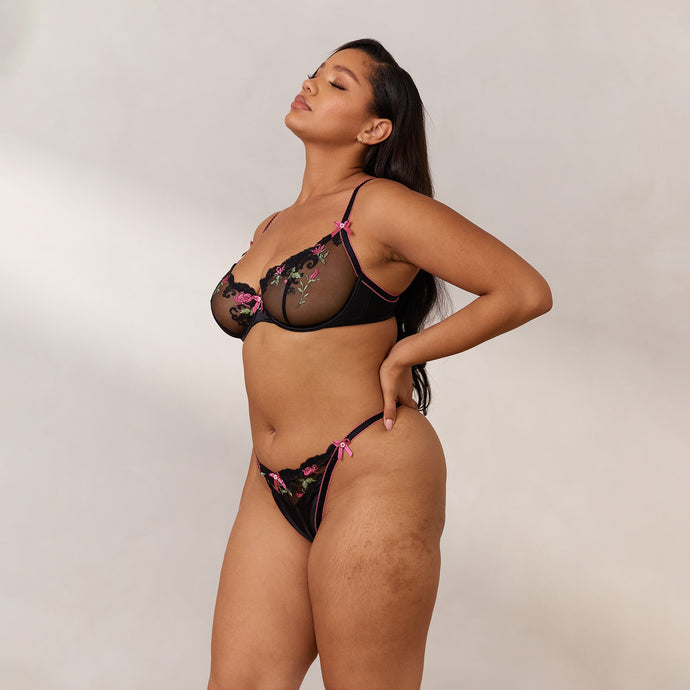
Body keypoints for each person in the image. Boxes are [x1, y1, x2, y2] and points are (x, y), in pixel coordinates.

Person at [207, 38, 552, 690]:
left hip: (371, 469)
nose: (311, 84)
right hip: (271, 479)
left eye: (337, 83)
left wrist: (408, 353)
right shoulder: (274, 225)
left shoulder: (380, 206)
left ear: (374, 128)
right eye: (314, 73)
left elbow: (523, 290)